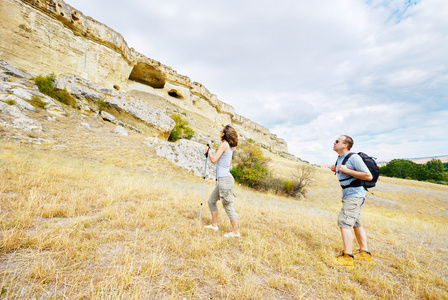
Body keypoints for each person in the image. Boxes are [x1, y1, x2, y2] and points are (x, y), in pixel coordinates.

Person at [330, 135, 373, 266]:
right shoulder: (340, 158)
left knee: (344, 222)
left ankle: (347, 257)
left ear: (345, 145)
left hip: (354, 196)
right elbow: (347, 174)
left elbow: (368, 176)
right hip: (350, 195)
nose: (334, 142)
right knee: (356, 223)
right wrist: (336, 169)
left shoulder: (354, 157)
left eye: (337, 141)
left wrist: (347, 170)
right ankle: (364, 253)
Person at [204, 125, 240, 238]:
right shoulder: (228, 147)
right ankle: (214, 225)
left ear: (224, 134)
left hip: (225, 180)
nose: (220, 132)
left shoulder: (224, 144)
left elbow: (214, 160)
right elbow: (228, 164)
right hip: (225, 180)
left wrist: (208, 151)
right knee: (211, 201)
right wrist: (218, 152)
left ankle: (235, 232)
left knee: (228, 206)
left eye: (221, 131)